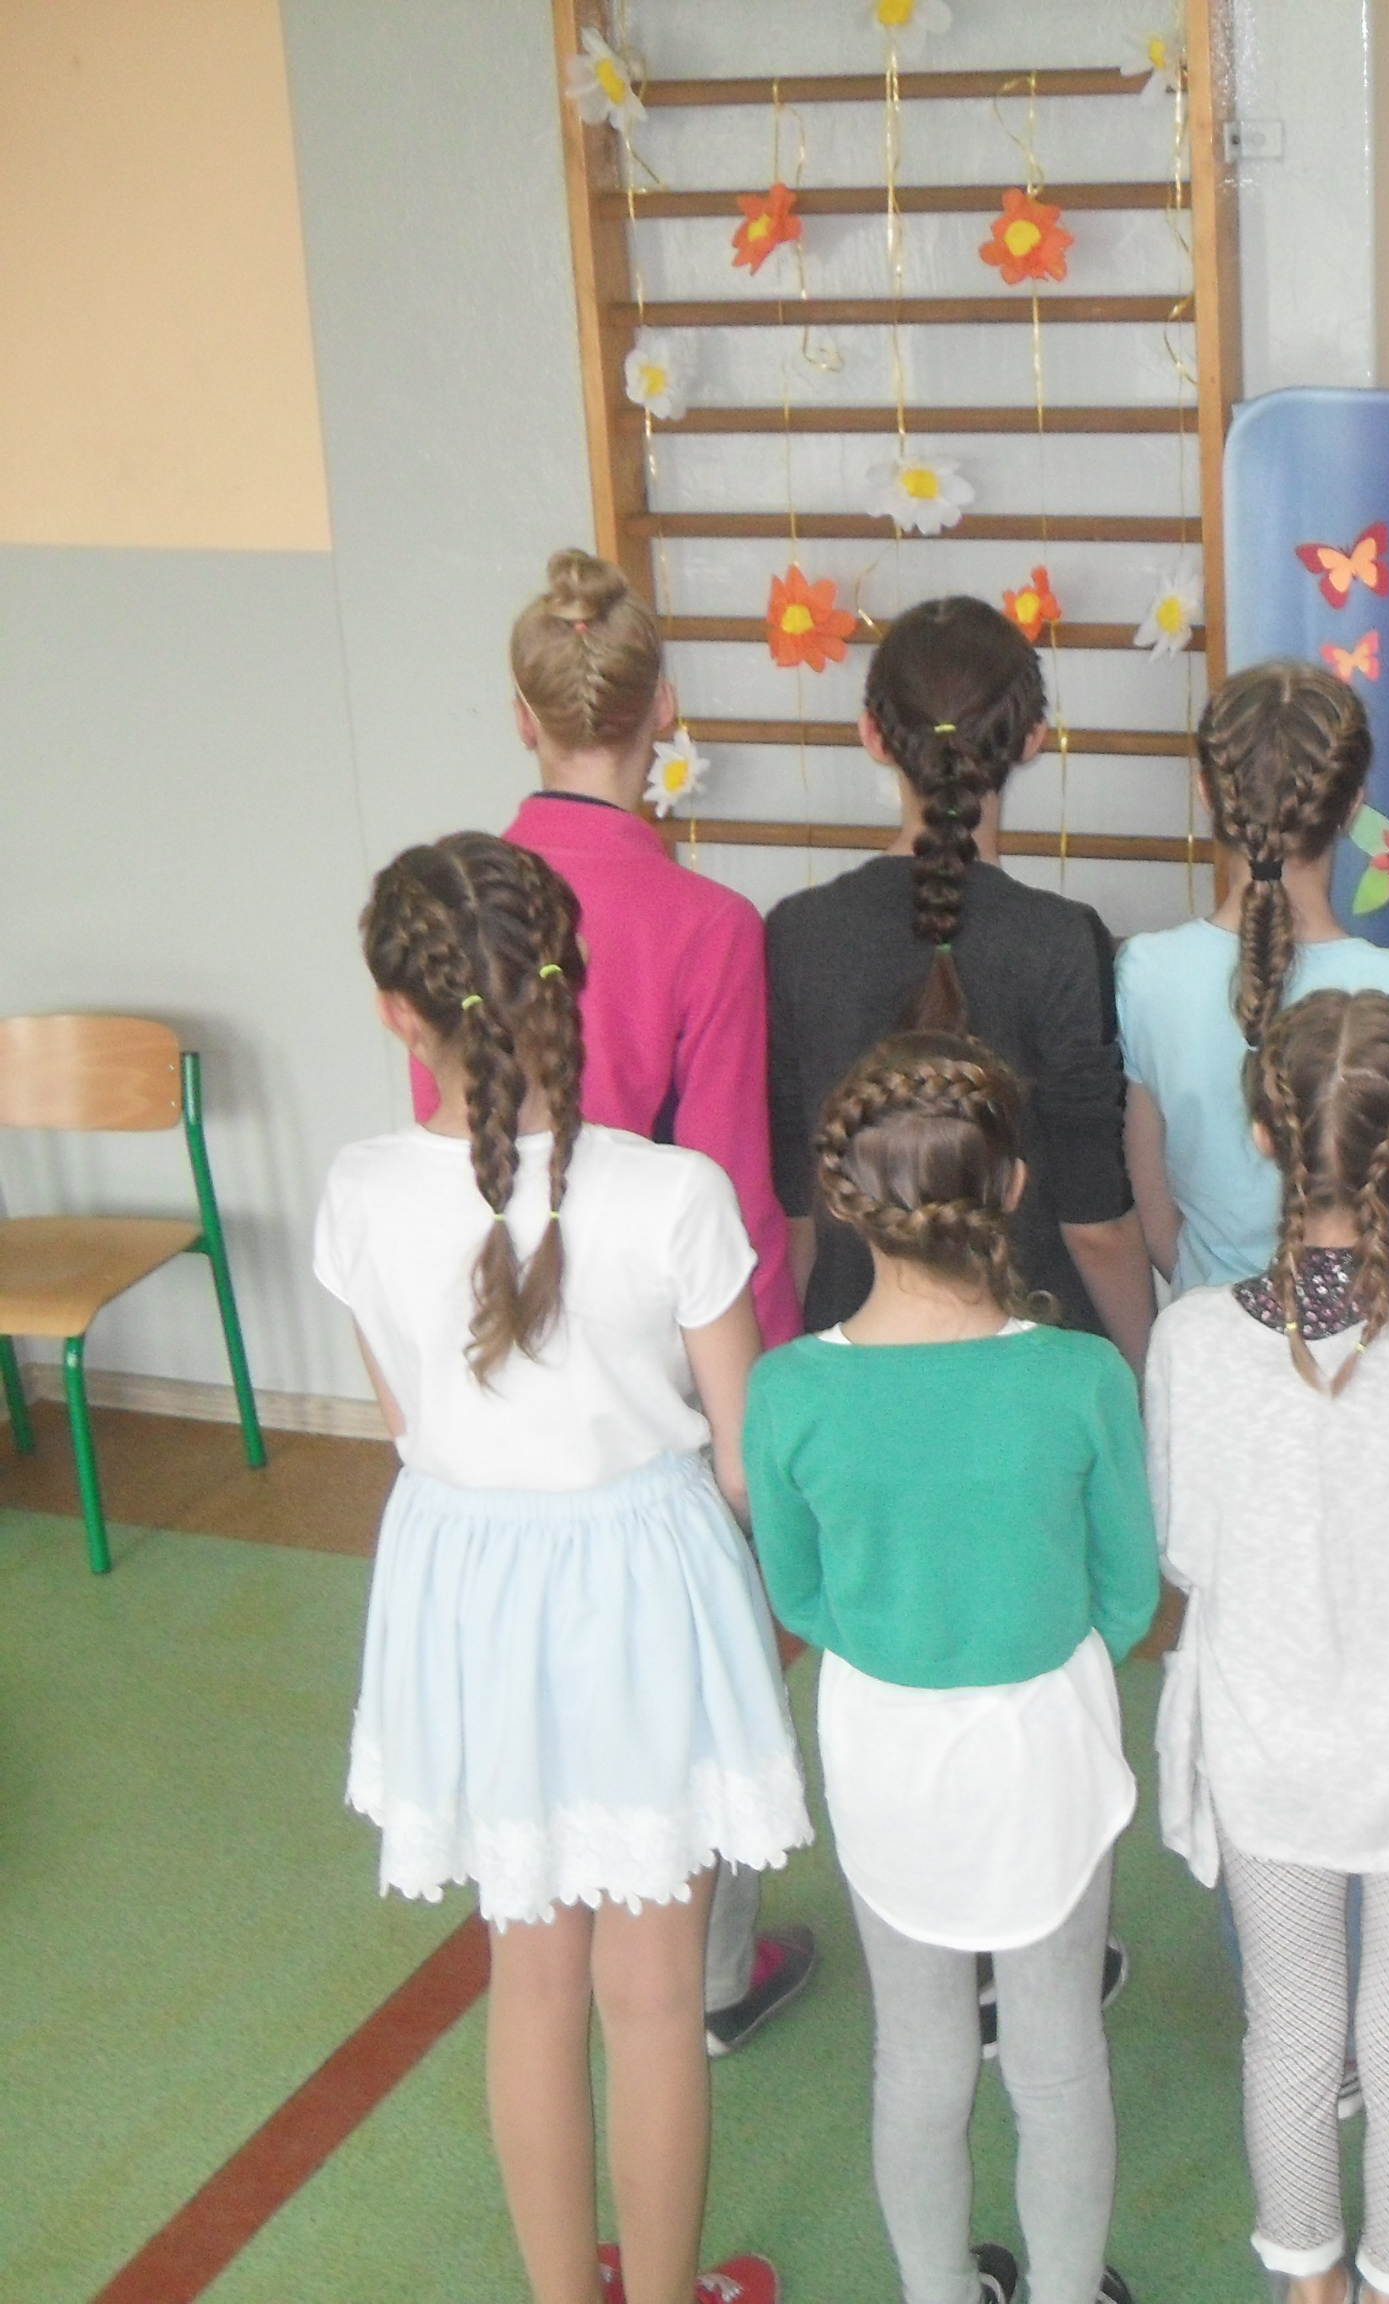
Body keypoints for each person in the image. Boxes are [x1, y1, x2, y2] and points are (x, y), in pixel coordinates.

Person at [320, 834, 810, 2304]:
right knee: (651, 2001)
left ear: (397, 1013)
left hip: (467, 1591)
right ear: (569, 985)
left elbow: (408, 1422)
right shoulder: (676, 1195)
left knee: (528, 1981)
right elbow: (743, 1460)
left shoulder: (360, 1190)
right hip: (645, 1588)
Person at [744, 1035, 1156, 2304]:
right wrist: (1031, 1647)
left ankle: (935, 2287)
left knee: (918, 2058)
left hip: (886, 1751)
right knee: (1058, 2057)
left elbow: (799, 1594)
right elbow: (1127, 1591)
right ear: (1014, 1187)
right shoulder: (1083, 1376)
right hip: (1046, 1747)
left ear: (840, 1199)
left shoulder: (787, 1390)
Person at [475, 548, 817, 2055]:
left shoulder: (456, 899)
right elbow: (733, 1191)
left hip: (496, 1330)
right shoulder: (708, 922)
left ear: (522, 715)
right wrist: (772, 1395)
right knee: (698, 1653)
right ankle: (711, 1971)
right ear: (663, 709)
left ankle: (548, 1904)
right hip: (660, 1348)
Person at [1148, 991, 1389, 2304]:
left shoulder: (1191, 1338)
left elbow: (1185, 1550)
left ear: (1262, 1134)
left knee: (1292, 2029)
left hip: (1269, 1744)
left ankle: (1305, 2276)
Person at [768, 595, 1153, 1369]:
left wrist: (798, 1368)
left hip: (855, 1356)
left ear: (873, 734)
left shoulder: (796, 934)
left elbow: (796, 1212)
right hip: (1033, 1360)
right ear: (1033, 737)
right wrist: (1146, 1374)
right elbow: (1096, 1226)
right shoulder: (1062, 942)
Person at [1121, 661, 1389, 1289]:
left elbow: (1151, 1197)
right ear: (1353, 805)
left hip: (1207, 1323)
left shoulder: (1145, 972)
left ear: (1206, 793)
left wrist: (1213, 1300)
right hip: (1371, 1324)